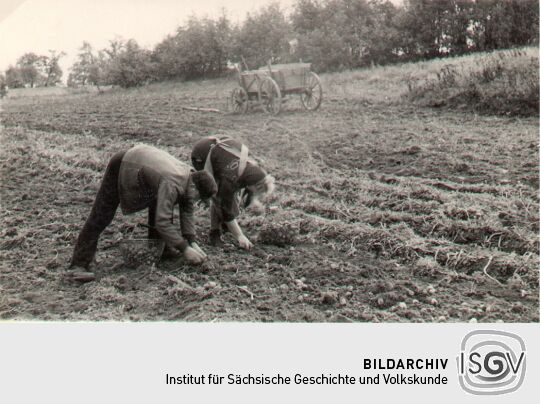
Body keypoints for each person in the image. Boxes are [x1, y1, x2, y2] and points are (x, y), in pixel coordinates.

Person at [69, 144, 217, 282]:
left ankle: (161, 250)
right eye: (199, 198)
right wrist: (184, 249)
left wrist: (192, 242)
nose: (196, 202)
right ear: (194, 187)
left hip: (144, 167)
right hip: (124, 163)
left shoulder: (190, 179)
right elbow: (162, 222)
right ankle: (79, 264)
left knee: (162, 203)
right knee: (102, 214)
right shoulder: (172, 183)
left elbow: (187, 209)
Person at [191, 136, 275, 250]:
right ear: (254, 185)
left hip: (221, 150)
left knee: (233, 198)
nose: (257, 195)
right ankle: (214, 233)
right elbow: (225, 206)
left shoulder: (254, 168)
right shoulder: (230, 178)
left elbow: (247, 190)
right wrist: (240, 236)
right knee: (216, 196)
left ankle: (226, 226)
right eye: (257, 192)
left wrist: (254, 201)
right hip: (201, 155)